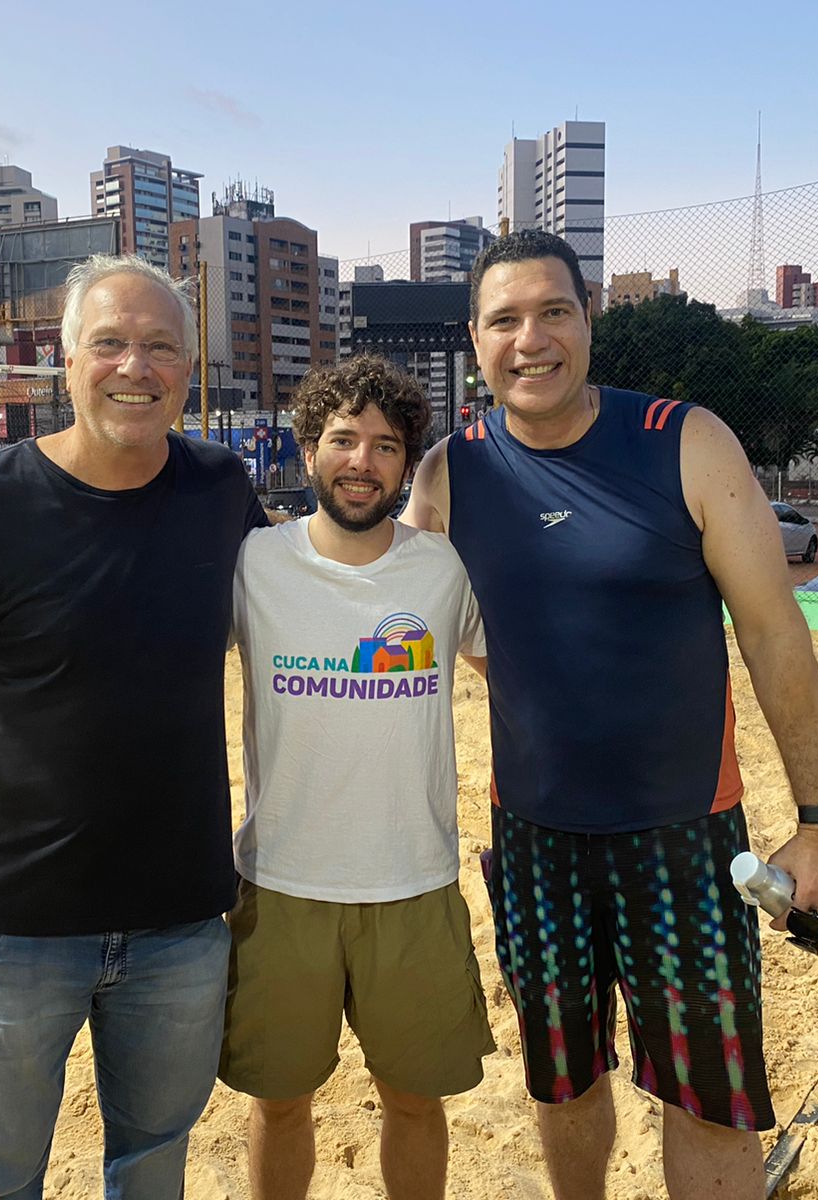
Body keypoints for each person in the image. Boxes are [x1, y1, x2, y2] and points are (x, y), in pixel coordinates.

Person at [405, 229, 818, 1200]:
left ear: (587, 318)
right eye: (504, 320)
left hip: (687, 841)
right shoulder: (448, 475)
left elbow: (774, 634)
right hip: (533, 841)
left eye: (553, 312)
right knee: (564, 1087)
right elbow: (406, 637)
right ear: (474, 343)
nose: (531, 339)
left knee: (710, 1100)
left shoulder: (683, 441)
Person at [0, 254, 266, 1199]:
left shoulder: (219, 490)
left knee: (152, 1161)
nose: (136, 366)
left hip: (179, 916)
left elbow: (312, 604)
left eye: (161, 347)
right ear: (67, 362)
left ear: (187, 367)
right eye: (111, 344)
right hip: (18, 920)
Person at [221, 355, 494, 1200]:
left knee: (414, 1104)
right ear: (309, 451)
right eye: (343, 440)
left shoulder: (441, 571)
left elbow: (520, 682)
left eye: (385, 445)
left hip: (411, 880)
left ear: (407, 463)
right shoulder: (253, 564)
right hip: (281, 881)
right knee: (278, 1106)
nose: (362, 462)